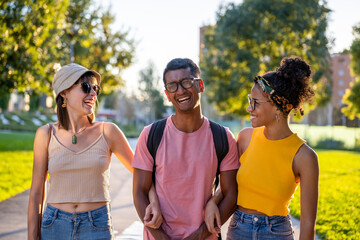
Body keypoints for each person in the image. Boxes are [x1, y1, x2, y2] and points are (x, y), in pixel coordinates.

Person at [27, 63, 162, 240]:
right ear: (64, 92)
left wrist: (154, 201)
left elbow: (141, 171)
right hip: (54, 224)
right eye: (85, 87)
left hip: (96, 225)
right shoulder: (45, 134)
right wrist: (32, 236)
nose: (92, 93)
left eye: (95, 88)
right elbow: (37, 192)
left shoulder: (108, 131)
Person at [205, 57, 319, 240]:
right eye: (250, 100)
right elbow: (230, 185)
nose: (249, 108)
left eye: (255, 102)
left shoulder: (305, 157)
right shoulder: (245, 138)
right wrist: (213, 201)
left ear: (278, 106)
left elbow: (307, 224)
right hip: (238, 229)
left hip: (277, 232)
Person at [132, 58, 240, 239]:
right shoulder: (151, 135)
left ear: (201, 85)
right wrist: (161, 237)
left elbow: (231, 195)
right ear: (167, 95)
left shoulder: (222, 137)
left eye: (187, 82)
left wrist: (199, 236)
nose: (180, 90)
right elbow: (139, 192)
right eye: (172, 86)